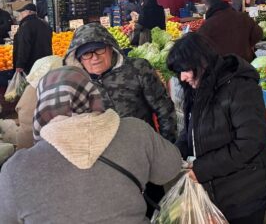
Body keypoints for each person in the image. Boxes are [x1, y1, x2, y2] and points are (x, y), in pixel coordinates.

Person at [0, 66, 183, 223]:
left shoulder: (15, 169)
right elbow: (171, 168)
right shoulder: (136, 131)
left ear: (42, 105)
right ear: (92, 94)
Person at [167, 33, 266, 224]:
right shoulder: (198, 89)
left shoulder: (240, 87)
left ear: (201, 61)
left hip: (246, 193)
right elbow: (191, 131)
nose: (182, 77)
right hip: (219, 190)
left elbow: (250, 143)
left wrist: (203, 169)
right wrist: (173, 154)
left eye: (184, 70)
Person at [65, 23, 177, 143]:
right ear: (79, 58)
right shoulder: (77, 85)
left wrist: (167, 146)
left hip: (144, 147)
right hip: (105, 156)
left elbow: (164, 110)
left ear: (110, 49)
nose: (95, 58)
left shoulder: (138, 69)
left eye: (99, 49)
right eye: (87, 54)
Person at [0, 55, 63, 150]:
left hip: (31, 146)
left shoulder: (32, 91)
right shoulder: (52, 92)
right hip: (35, 146)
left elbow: (21, 111)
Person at [198, 0, 263, 62]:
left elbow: (201, 51)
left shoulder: (206, 27)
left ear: (207, 7)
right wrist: (246, 45)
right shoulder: (242, 17)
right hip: (246, 63)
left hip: (223, 68)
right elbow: (258, 34)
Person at [13, 3, 53, 75]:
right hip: (45, 62)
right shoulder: (45, 24)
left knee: (30, 84)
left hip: (31, 65)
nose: (21, 14)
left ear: (29, 12)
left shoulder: (26, 25)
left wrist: (20, 64)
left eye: (23, 11)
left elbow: (24, 46)